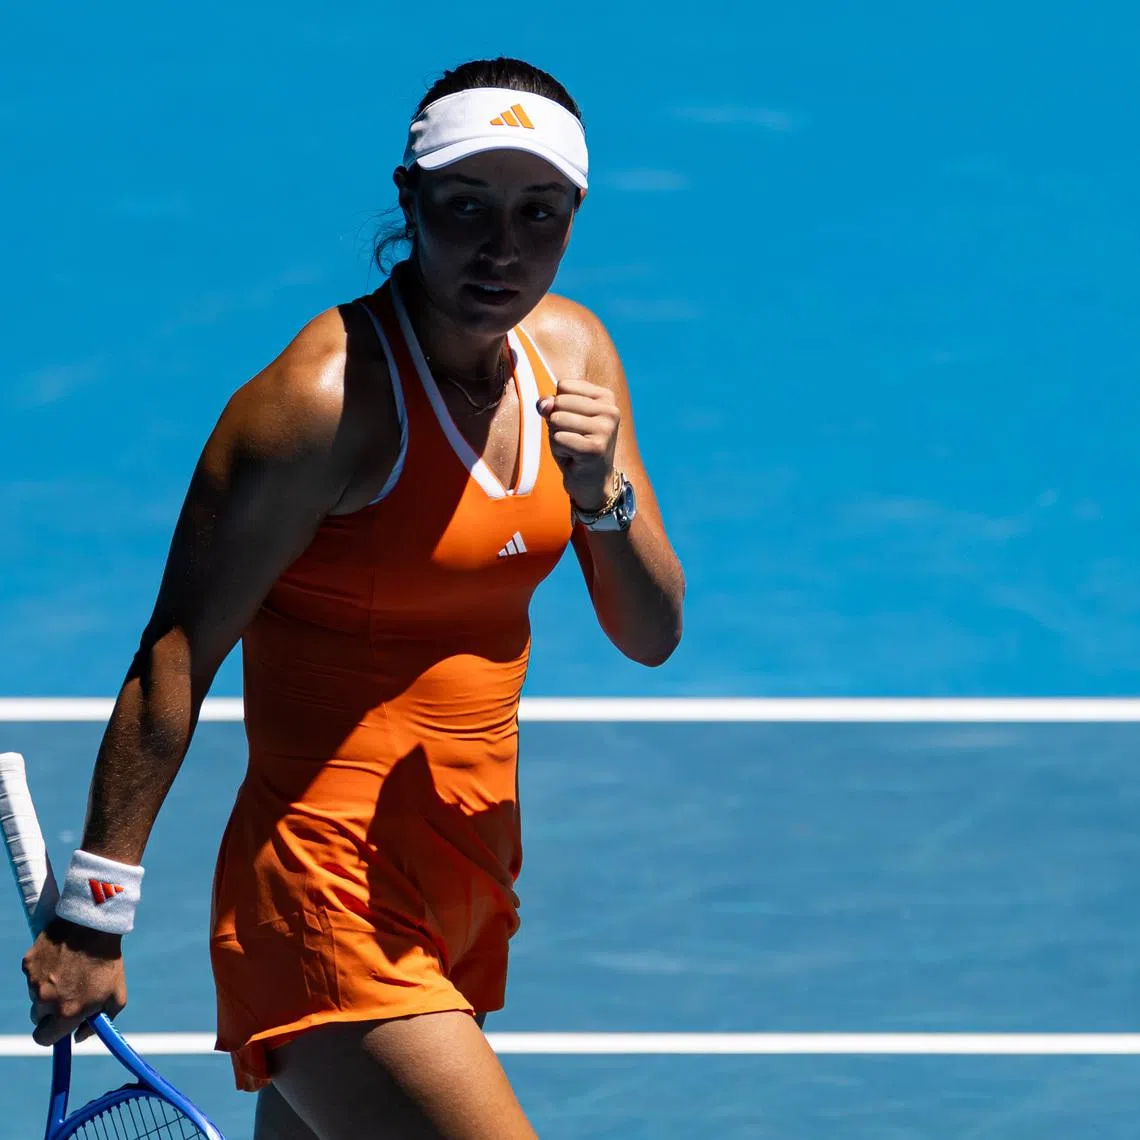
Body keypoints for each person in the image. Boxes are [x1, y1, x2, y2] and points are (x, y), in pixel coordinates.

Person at [21, 56, 685, 1139]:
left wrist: (600, 495)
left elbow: (651, 633)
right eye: (466, 206)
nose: (501, 248)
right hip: (323, 897)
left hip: (467, 880)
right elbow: (177, 649)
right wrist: (95, 909)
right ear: (409, 199)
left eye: (538, 213)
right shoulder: (319, 405)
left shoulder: (574, 357)